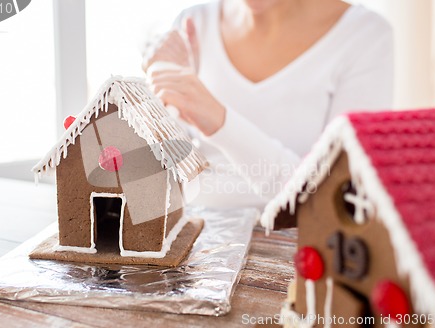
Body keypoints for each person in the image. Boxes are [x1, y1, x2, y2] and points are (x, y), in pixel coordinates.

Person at [144, 0, 393, 209]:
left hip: (299, 251)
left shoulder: (365, 36)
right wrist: (157, 96)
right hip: (198, 244)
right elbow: (169, 174)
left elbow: (334, 200)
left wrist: (219, 121)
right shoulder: (194, 23)